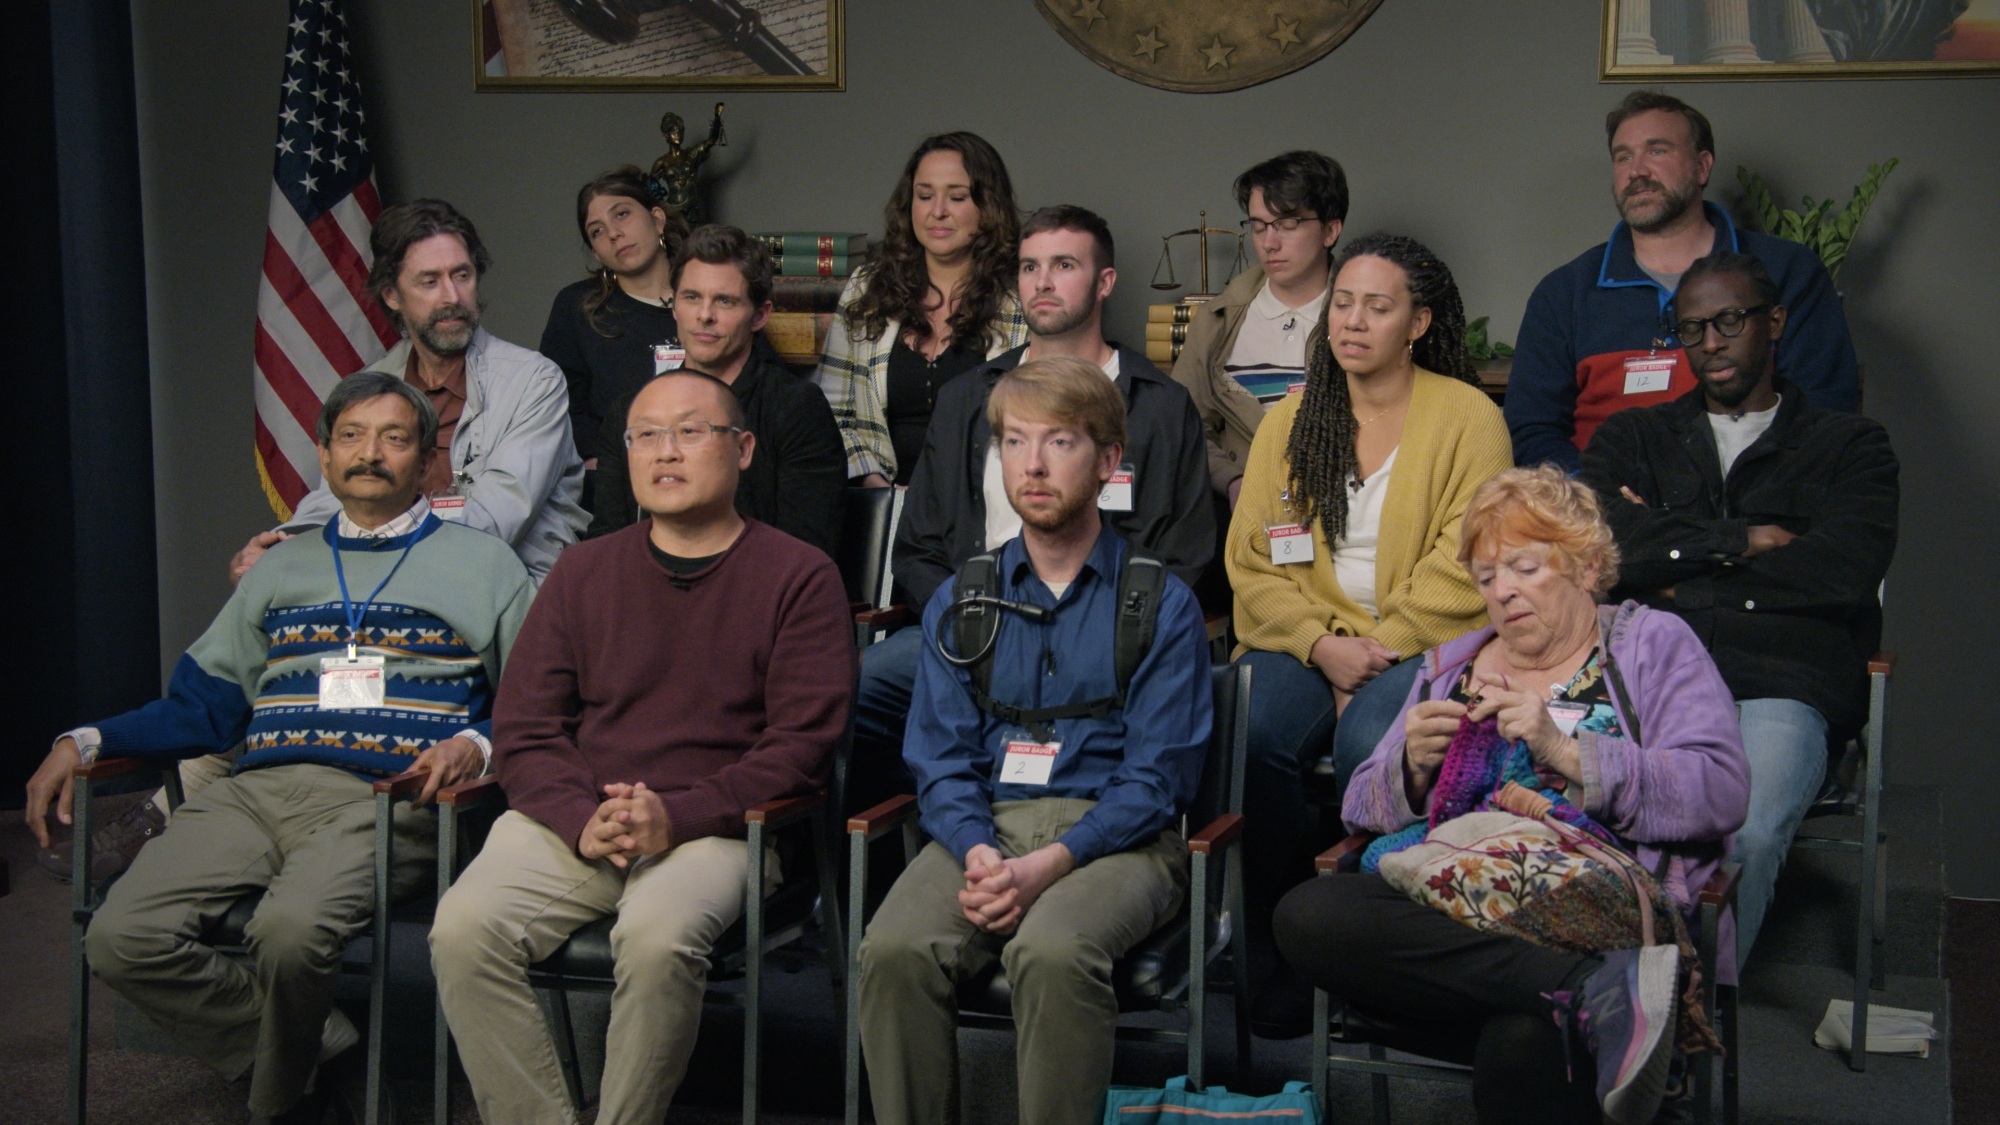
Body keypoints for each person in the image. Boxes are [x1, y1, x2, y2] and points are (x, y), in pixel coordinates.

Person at [24, 373, 534, 1124]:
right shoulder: (277, 568)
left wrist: (471, 741)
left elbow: (539, 711)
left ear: (429, 460)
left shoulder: (488, 566)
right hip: (254, 790)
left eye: (394, 437)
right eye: (351, 437)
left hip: (388, 800)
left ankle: (279, 1104)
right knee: (119, 936)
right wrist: (87, 738)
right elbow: (203, 706)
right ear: (323, 457)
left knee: (289, 931)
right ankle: (322, 1050)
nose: (370, 454)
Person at [429, 367, 854, 1125]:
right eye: (646, 435)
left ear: (744, 448)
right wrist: (576, 812)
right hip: (581, 815)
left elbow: (799, 749)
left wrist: (678, 815)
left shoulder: (799, 576)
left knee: (657, 939)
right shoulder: (583, 570)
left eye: (691, 431)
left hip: (720, 826)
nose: (666, 450)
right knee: (462, 930)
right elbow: (526, 725)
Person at [1276, 466, 1750, 1125]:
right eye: (1488, 576)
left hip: (1596, 920)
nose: (1502, 592)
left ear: (1585, 565)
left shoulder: (1651, 644)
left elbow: (1720, 790)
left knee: (1526, 1040)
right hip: (1459, 931)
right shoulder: (1452, 665)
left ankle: (1583, 990)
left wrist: (1564, 752)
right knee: (1306, 911)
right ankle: (1587, 992)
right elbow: (1362, 806)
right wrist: (1412, 768)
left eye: (1523, 567)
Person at [857, 356, 1212, 1125]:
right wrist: (979, 848)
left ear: (1108, 459)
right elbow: (941, 759)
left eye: (1059, 441)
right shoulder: (966, 595)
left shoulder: (1159, 600)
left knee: (1049, 951)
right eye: (1015, 443)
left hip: (1121, 838)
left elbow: (1157, 779)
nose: (1034, 464)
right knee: (891, 949)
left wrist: (1052, 861)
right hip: (987, 828)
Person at [1225, 232, 1512, 1033]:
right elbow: (1251, 560)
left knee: (1375, 745)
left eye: (1376, 307)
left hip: (1415, 643)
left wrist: (1376, 650)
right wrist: (1322, 644)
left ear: (1417, 323)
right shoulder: (1289, 421)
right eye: (1341, 304)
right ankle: (1273, 949)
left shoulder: (1469, 418)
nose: (1351, 322)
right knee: (1250, 728)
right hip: (1305, 640)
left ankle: (1368, 965)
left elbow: (1470, 566)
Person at [1579, 249, 1899, 964]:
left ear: (1775, 321)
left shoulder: (1850, 446)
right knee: (1577, 810)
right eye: (1692, 329)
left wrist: (1675, 578)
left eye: (1728, 320)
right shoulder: (1635, 437)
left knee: (1742, 832)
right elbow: (1601, 546)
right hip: (1647, 676)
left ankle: (1687, 1027)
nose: (1712, 343)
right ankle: (1587, 1002)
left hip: (1780, 680)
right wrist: (1745, 540)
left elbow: (1841, 572)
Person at [853, 205, 1212, 802]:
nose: (1042, 282)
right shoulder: (967, 398)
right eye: (1029, 267)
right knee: (856, 689)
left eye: (1063, 265)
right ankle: (894, 857)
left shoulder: (1160, 405)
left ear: (1104, 283)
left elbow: (1187, 553)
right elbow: (916, 548)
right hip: (972, 627)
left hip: (1107, 638)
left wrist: (1101, 633)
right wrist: (969, 623)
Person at [235, 198, 588, 584]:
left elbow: (492, 523)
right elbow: (335, 499)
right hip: (388, 589)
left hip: (506, 592)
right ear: (391, 294)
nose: (451, 297)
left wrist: (362, 543)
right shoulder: (368, 386)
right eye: (430, 281)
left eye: (462, 275)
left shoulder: (533, 380)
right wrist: (284, 548)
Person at [1507, 91, 1860, 471]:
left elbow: (1825, 409)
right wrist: (1597, 496)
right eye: (1623, 156)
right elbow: (1531, 430)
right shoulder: (1564, 292)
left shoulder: (1788, 271)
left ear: (1702, 167)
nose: (1636, 171)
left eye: (1657, 151)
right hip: (1600, 515)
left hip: (1747, 509)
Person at [585, 223, 845, 554]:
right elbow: (606, 543)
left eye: (724, 301)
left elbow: (806, 552)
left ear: (760, 315)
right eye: (692, 298)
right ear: (674, 306)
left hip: (759, 595)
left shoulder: (796, 408)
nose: (705, 316)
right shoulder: (629, 412)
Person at [814, 131, 1029, 486]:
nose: (937, 211)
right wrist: (870, 478)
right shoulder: (867, 287)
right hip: (882, 503)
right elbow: (829, 409)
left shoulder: (1021, 295)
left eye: (957, 197)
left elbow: (1040, 421)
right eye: (924, 195)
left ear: (988, 207)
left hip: (984, 505)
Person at [1170, 150, 1349, 508]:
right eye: (1258, 225)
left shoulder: (1360, 317)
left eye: (1287, 224)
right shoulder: (1218, 318)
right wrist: (1233, 482)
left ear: (1330, 230)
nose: (1269, 242)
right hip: (1240, 509)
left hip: (1342, 508)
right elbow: (1183, 424)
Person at [539, 166, 691, 478]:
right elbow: (559, 406)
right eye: (597, 231)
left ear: (657, 219)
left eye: (621, 214)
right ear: (596, 253)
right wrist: (602, 459)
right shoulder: (576, 308)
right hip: (618, 475)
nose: (613, 233)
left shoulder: (705, 295)